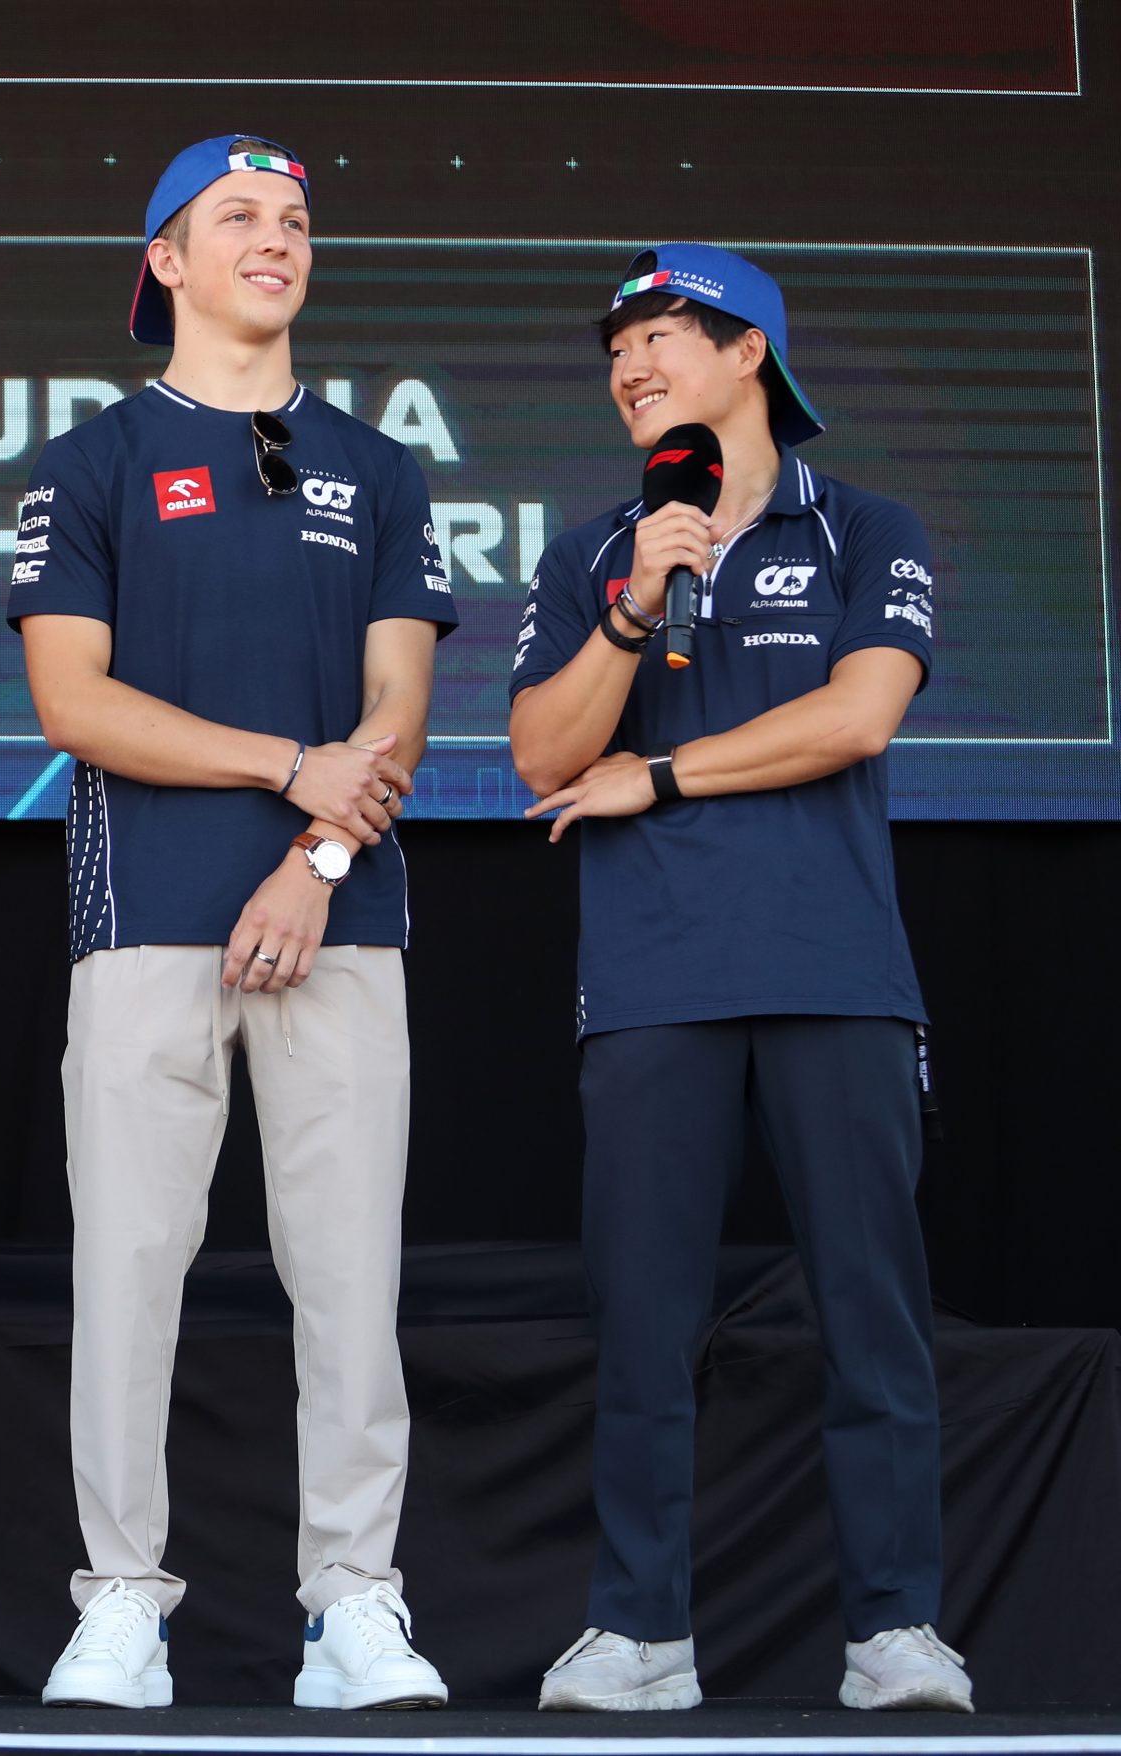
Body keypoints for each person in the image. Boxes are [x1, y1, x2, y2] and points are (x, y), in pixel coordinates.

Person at [8, 135, 458, 1712]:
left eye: (296, 221)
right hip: (144, 916)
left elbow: (401, 700)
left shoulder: (382, 465)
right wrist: (287, 771)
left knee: (350, 1277)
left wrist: (316, 856)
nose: (276, 240)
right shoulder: (91, 461)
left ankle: (353, 1606)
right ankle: (122, 1601)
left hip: (344, 916)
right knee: (130, 1270)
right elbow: (73, 699)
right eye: (239, 220)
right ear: (168, 264)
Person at [510, 244, 970, 1714]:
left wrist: (662, 772)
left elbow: (859, 715)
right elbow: (537, 754)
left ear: (749, 354)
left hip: (837, 971)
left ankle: (896, 1630)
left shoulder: (867, 526)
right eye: (617, 350)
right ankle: (640, 1634)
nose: (631, 367)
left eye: (663, 337)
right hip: (649, 981)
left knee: (869, 1314)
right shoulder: (596, 548)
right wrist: (638, 609)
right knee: (643, 1322)